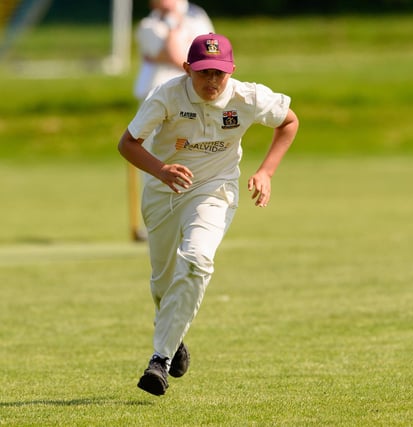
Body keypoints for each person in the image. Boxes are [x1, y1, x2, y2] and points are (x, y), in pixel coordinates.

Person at [118, 33, 299, 396]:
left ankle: (160, 360)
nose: (212, 81)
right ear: (187, 69)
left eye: (220, 73)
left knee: (197, 259)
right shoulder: (167, 95)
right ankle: (174, 334)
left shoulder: (248, 97)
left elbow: (289, 122)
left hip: (215, 189)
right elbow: (127, 143)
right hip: (163, 191)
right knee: (162, 283)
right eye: (204, 73)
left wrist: (266, 172)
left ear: (231, 71)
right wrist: (161, 170)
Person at [128, 0, 214, 241]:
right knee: (153, 161)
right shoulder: (148, 25)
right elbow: (176, 55)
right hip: (155, 102)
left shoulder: (198, 17)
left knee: (194, 157)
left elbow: (208, 57)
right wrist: (176, 29)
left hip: (191, 101)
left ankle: (194, 218)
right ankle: (157, 222)